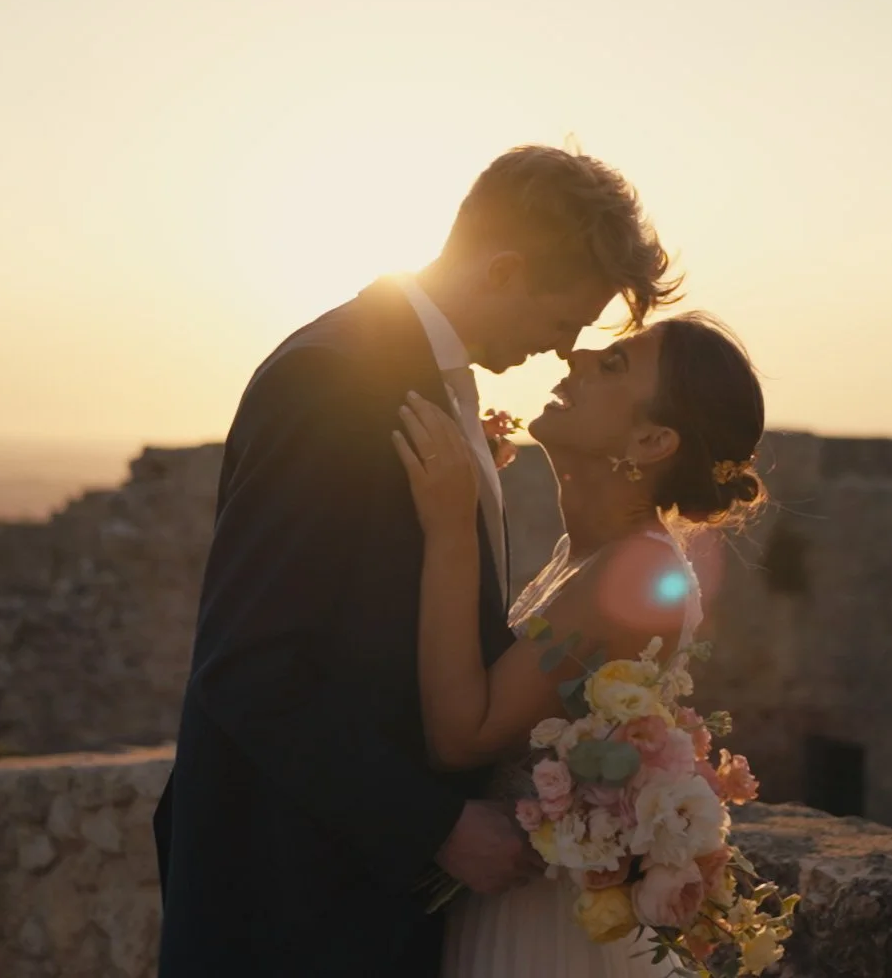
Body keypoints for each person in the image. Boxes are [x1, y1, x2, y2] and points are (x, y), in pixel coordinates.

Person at [152, 144, 680, 976]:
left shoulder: (425, 381)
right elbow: (247, 669)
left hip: (366, 903)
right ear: (505, 270)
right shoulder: (332, 380)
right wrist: (431, 825)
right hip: (290, 906)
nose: (563, 348)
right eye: (564, 319)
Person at [393, 313, 766, 976]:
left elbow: (461, 734)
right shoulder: (587, 553)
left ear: (652, 439)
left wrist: (450, 525)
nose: (578, 354)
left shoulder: (640, 574)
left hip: (540, 936)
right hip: (511, 905)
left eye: (615, 364)